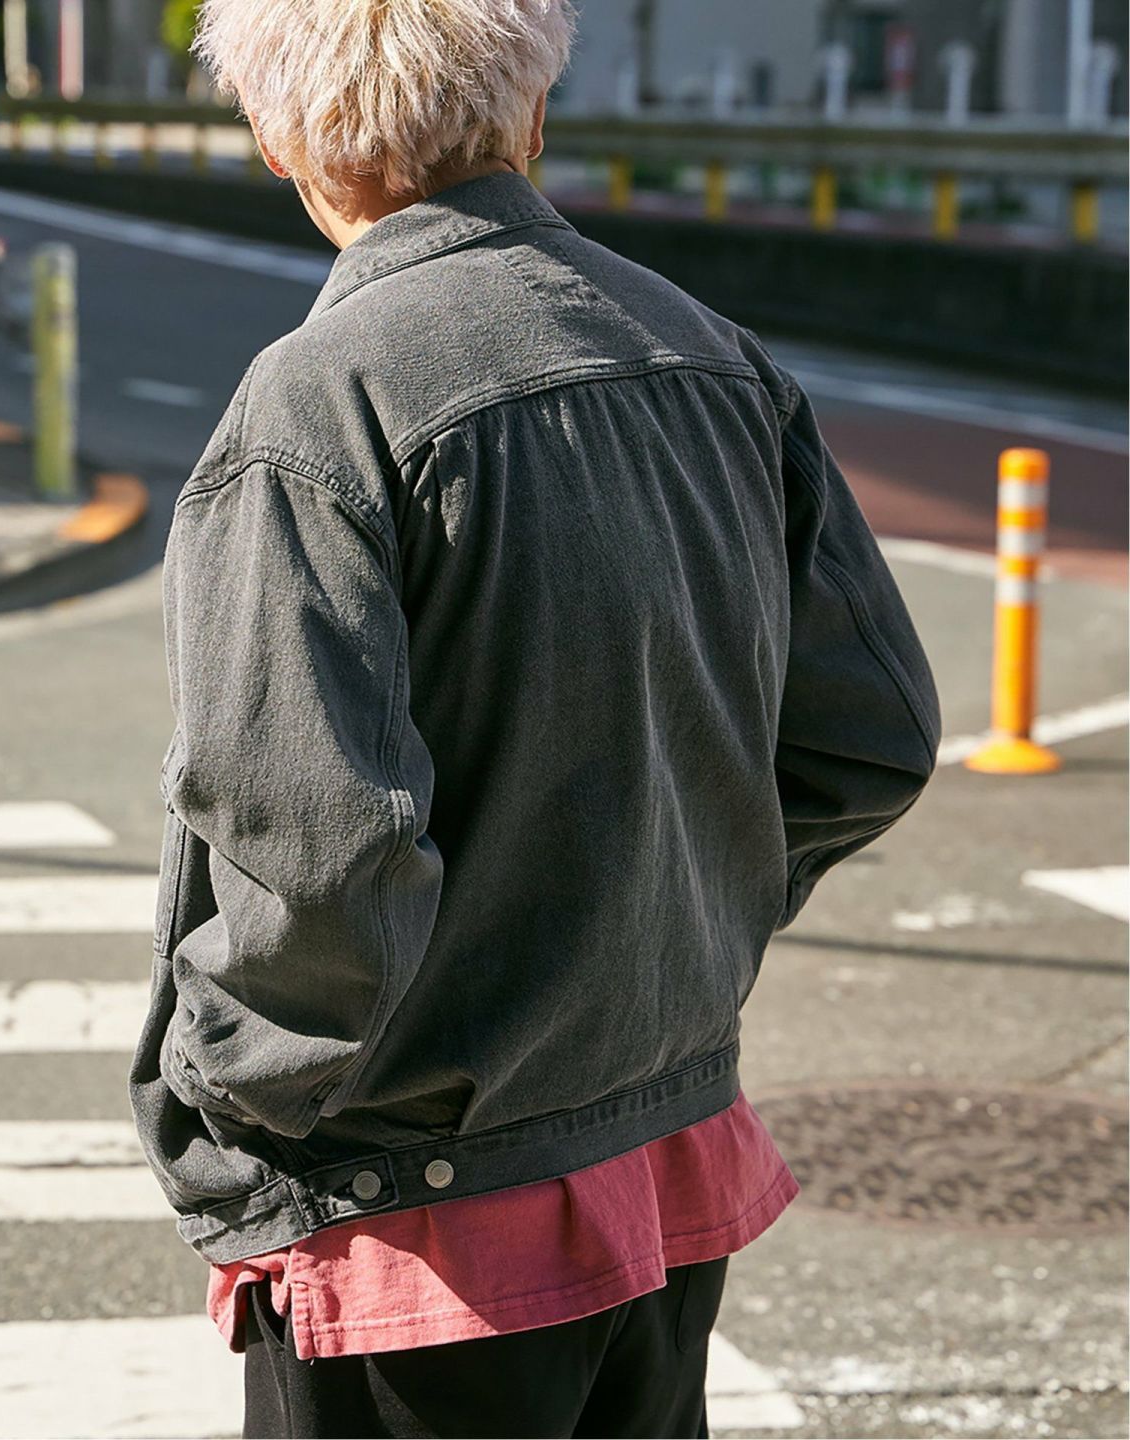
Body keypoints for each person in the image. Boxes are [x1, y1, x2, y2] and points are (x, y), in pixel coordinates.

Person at [127, 1, 942, 1436]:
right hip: (663, 1145)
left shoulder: (314, 411)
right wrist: (677, 918)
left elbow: (316, 855)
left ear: (276, 137)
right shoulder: (709, 353)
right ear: (535, 115)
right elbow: (869, 738)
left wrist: (223, 1086)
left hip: (417, 1204)